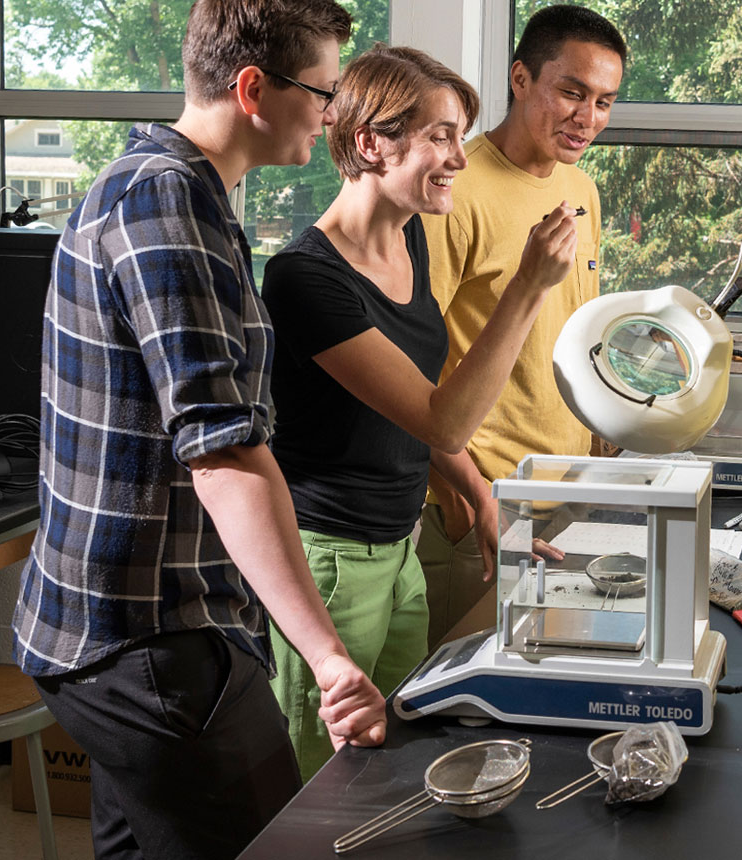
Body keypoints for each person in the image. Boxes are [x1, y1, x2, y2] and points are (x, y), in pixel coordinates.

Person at [12, 1, 388, 856]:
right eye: (324, 93)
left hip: (136, 627)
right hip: (145, 641)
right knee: (278, 844)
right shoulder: (165, 202)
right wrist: (325, 657)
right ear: (255, 88)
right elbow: (222, 453)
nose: (331, 115)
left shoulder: (192, 192)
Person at [260, 46, 578, 778]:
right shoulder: (305, 278)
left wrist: (479, 493)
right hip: (331, 565)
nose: (458, 158)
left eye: (457, 135)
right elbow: (444, 419)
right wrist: (528, 285)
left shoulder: (409, 243)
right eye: (439, 136)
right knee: (323, 780)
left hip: (400, 552)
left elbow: (410, 411)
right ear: (371, 142)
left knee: (395, 757)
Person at [415, 4, 628, 644]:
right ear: (520, 79)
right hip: (479, 508)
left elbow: (575, 328)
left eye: (604, 101)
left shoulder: (581, 188)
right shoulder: (453, 191)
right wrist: (472, 495)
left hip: (566, 498)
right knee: (453, 711)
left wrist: (603, 435)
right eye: (571, 92)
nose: (587, 118)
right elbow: (402, 374)